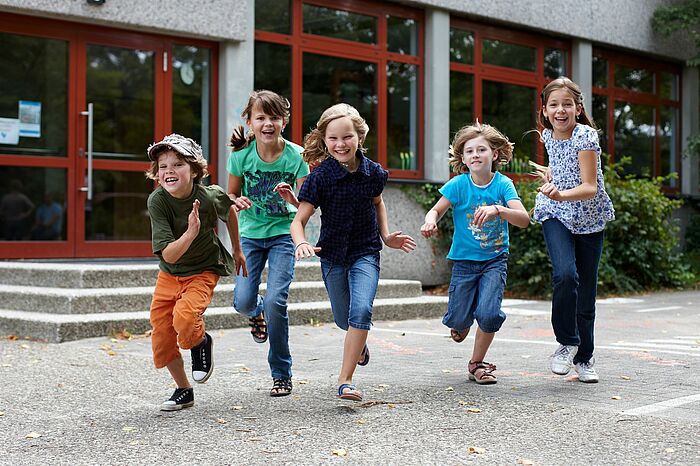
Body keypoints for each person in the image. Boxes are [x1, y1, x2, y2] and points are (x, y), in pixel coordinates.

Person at [291, 103, 416, 402]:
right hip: (332, 256)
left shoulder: (374, 173)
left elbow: (377, 203)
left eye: (347, 137)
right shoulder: (320, 177)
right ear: (325, 141)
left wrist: (386, 235)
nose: (340, 144)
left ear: (359, 136)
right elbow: (299, 221)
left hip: (365, 252)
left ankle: (345, 380)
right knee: (343, 318)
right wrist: (301, 242)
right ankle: (357, 343)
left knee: (361, 311)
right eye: (333, 138)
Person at [420, 121, 529, 385]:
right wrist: (430, 220)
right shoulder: (458, 185)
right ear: (463, 159)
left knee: (490, 314)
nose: (476, 155)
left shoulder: (503, 185)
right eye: (470, 151)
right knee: (457, 319)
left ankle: (478, 363)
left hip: (494, 260)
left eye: (482, 150)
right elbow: (436, 209)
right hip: (464, 263)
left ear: (495, 154)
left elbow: (524, 219)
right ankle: (462, 321)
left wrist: (498, 210)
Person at [145, 133, 247, 411]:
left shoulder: (210, 196)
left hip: (203, 269)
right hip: (169, 273)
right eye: (163, 167)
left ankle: (200, 341)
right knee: (162, 334)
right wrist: (190, 232)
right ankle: (183, 390)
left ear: (194, 169)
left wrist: (237, 250)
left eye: (177, 164)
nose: (169, 171)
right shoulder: (158, 202)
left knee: (186, 319)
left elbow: (230, 214)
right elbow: (168, 254)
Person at [227, 90, 309, 397]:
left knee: (277, 301)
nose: (267, 123)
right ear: (249, 122)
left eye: (274, 117)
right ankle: (254, 311)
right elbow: (230, 196)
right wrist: (238, 201)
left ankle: (281, 373)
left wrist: (294, 200)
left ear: (284, 122)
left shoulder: (297, 157)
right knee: (242, 301)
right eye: (260, 117)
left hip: (283, 236)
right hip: (249, 236)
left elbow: (307, 207)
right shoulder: (240, 156)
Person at [533, 77, 615, 383]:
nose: (560, 110)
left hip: (588, 217)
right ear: (544, 110)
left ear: (578, 108)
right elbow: (563, 167)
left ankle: (585, 358)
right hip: (555, 212)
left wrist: (560, 192)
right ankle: (567, 341)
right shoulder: (547, 135)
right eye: (553, 104)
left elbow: (590, 186)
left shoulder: (586, 136)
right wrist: (550, 178)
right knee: (565, 274)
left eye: (567, 104)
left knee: (586, 292)